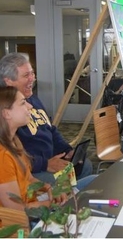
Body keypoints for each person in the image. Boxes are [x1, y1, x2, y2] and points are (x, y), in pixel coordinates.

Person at [0, 53, 95, 188]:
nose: (32, 79)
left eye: (32, 73)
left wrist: (66, 150)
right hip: (36, 168)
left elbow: (50, 129)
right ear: (8, 81)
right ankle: (68, 202)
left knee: (85, 166)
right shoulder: (8, 112)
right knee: (59, 184)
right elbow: (16, 159)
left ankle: (74, 200)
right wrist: (46, 164)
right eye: (26, 75)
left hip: (50, 159)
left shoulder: (32, 99)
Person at [0, 86, 68, 211]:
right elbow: (17, 210)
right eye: (22, 103)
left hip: (34, 201)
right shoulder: (3, 157)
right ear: (6, 113)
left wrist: (49, 188)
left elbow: (29, 178)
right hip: (22, 223)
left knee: (92, 181)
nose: (30, 107)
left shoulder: (15, 141)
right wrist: (50, 204)